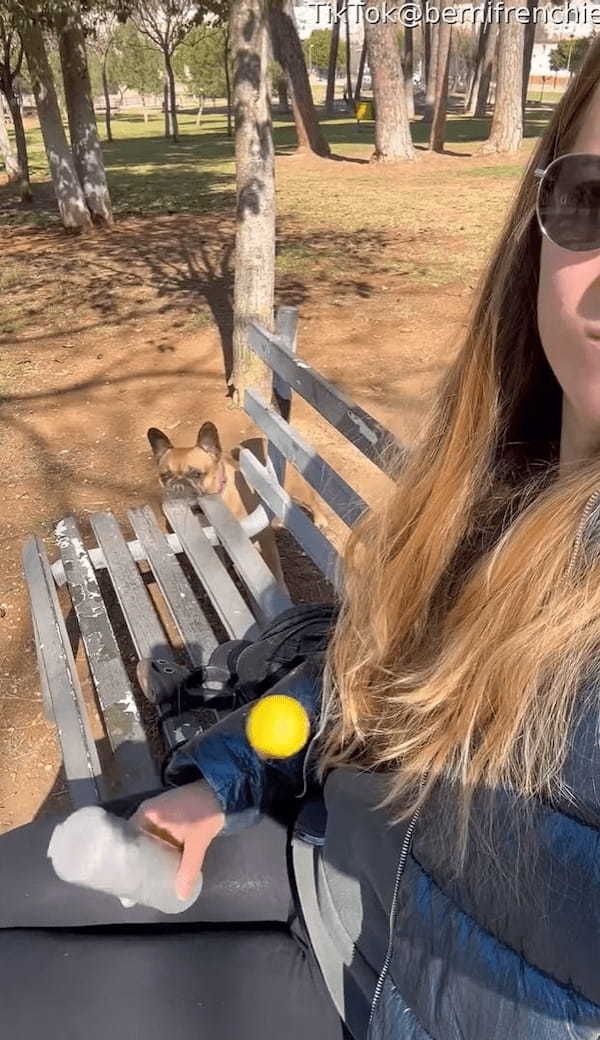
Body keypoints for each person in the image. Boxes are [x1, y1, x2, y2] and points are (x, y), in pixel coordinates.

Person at [4, 38, 600, 1040]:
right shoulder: (495, 495)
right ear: (538, 224)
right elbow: (361, 678)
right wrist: (217, 778)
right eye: (593, 198)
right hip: (331, 879)